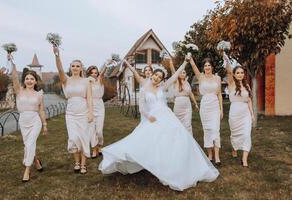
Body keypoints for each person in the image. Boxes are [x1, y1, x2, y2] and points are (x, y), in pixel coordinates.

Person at [99, 57, 219, 191]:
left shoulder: (163, 87)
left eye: (160, 77)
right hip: (153, 118)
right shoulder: (144, 89)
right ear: (153, 75)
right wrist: (148, 116)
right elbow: (141, 108)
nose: (157, 78)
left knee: (174, 140)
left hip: (167, 116)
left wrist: (185, 62)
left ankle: (173, 166)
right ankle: (155, 163)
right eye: (156, 75)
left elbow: (174, 77)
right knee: (151, 142)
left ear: (162, 80)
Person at [53, 46, 93, 174]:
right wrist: (57, 55)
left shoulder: (86, 81)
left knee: (84, 138)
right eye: (73, 66)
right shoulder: (66, 80)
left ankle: (83, 164)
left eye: (78, 66)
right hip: (70, 113)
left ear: (81, 68)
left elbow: (89, 98)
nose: (75, 68)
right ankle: (76, 162)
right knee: (73, 137)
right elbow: (59, 69)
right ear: (70, 68)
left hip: (83, 112)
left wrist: (91, 113)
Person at [9, 55, 47, 182]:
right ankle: (36, 160)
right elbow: (14, 78)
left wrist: (45, 124)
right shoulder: (19, 91)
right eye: (27, 78)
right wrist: (12, 63)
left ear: (36, 81)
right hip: (23, 121)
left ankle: (27, 170)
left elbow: (41, 110)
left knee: (30, 144)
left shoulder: (39, 94)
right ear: (24, 80)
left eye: (32, 79)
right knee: (28, 145)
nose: (29, 81)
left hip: (35, 121)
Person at [189, 55, 223, 165]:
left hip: (215, 106)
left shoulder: (217, 78)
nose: (207, 67)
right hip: (205, 106)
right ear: (203, 68)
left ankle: (217, 156)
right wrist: (190, 58)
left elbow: (219, 94)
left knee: (215, 130)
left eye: (209, 65)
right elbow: (193, 66)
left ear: (212, 67)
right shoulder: (200, 77)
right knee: (207, 130)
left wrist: (221, 109)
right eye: (205, 65)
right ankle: (210, 154)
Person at [223, 53, 254, 167]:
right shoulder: (231, 84)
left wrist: (252, 114)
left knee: (247, 134)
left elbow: (249, 100)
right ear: (235, 75)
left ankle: (244, 159)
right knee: (235, 134)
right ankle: (234, 148)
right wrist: (226, 60)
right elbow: (229, 71)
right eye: (238, 73)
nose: (240, 74)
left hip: (245, 113)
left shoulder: (247, 86)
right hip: (235, 113)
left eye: (242, 72)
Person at [86, 65, 106, 158]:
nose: (94, 74)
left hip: (99, 106)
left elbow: (102, 73)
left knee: (99, 131)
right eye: (92, 73)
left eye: (95, 72)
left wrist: (106, 64)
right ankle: (94, 149)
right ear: (89, 74)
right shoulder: (87, 82)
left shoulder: (100, 81)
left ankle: (100, 146)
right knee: (91, 130)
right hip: (90, 106)